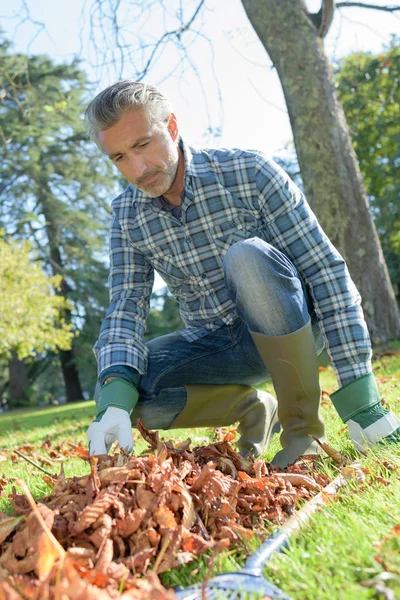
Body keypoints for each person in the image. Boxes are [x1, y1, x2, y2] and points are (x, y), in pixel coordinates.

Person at [85, 80, 400, 467]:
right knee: (123, 384)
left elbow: (326, 272)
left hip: (293, 326)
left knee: (246, 257)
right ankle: (253, 409)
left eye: (142, 145)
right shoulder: (126, 217)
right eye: (118, 157)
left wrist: (362, 400)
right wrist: (113, 403)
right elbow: (125, 309)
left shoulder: (249, 171)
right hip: (217, 348)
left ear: (170, 127)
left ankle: (303, 436)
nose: (138, 169)